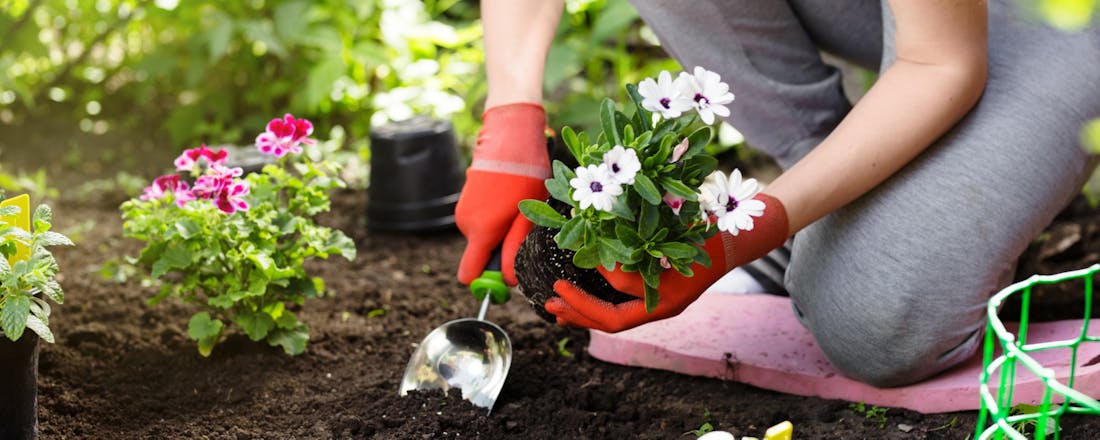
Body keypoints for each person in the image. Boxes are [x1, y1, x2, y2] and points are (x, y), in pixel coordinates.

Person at [454, 0, 1100, 387]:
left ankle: (833, 229)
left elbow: (941, 62)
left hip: (1060, 19)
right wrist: (510, 119)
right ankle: (830, 203)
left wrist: (740, 235)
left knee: (872, 327)